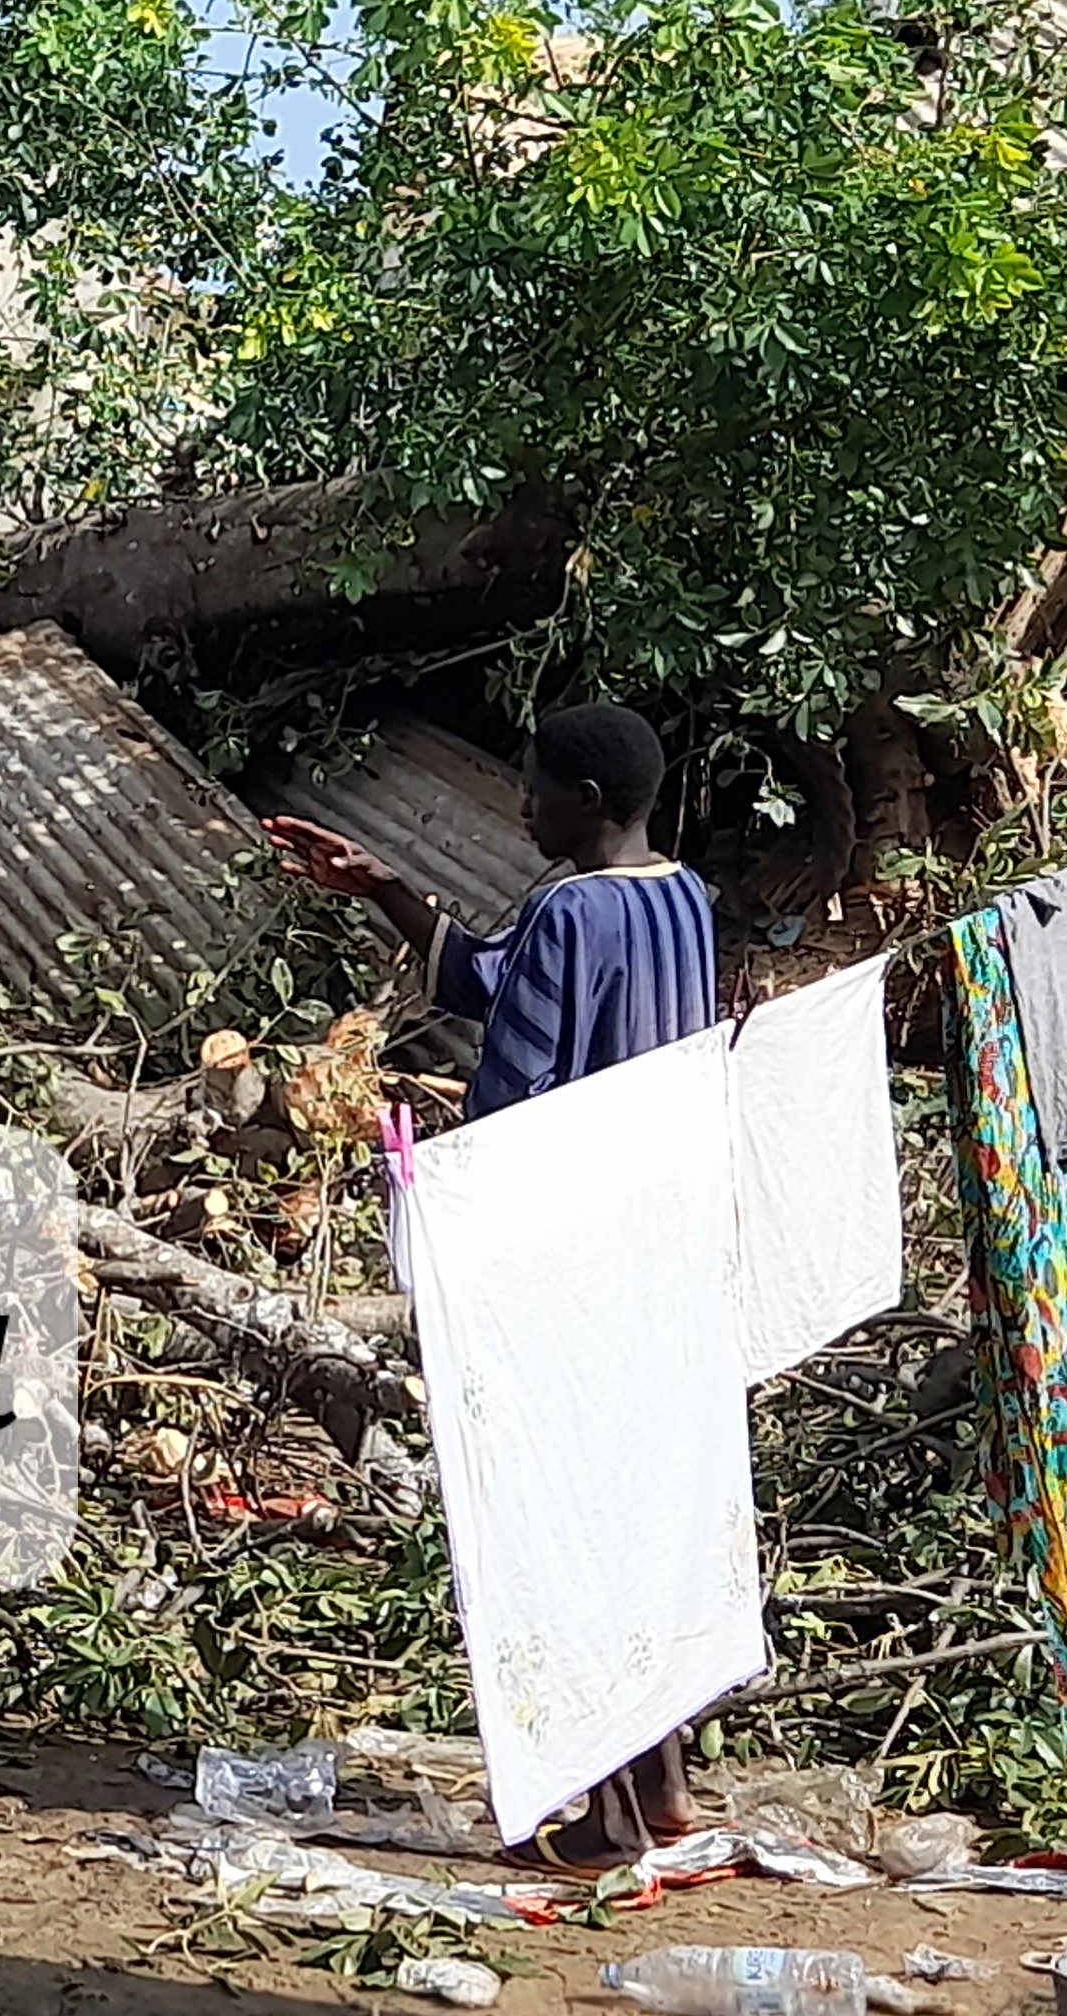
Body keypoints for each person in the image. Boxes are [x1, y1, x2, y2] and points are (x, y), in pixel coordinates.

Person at [264, 699, 721, 1867]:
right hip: (657, 1246)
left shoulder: (569, 909)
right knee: (638, 1511)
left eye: (529, 788)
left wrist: (433, 1191)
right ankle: (662, 1786)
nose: (517, 807)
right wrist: (378, 885)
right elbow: (482, 976)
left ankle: (605, 1818)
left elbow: (513, 1093)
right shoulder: (682, 899)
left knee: (566, 1526)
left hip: (568, 1255)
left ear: (579, 799)